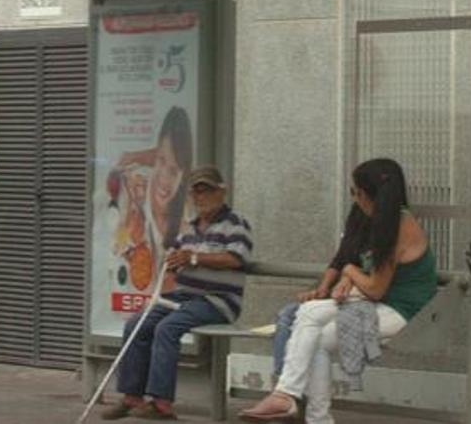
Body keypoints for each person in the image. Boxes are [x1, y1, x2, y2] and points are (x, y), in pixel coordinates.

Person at [240, 158, 438, 424]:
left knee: (311, 323)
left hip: (404, 311)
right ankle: (305, 410)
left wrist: (349, 272)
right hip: (380, 303)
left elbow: (376, 289)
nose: (354, 200)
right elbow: (370, 275)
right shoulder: (384, 219)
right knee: (313, 329)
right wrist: (349, 277)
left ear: (367, 194)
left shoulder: (399, 225)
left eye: (354, 192)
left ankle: (287, 396)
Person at [102, 166, 252, 420]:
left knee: (167, 328)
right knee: (136, 324)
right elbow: (179, 259)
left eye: (207, 190)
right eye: (197, 192)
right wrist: (172, 261)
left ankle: (161, 404)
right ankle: (132, 396)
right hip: (185, 294)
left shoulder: (236, 224)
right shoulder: (189, 227)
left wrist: (193, 257)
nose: (201, 197)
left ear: (222, 192)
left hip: (217, 300)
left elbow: (235, 259)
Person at [272, 206, 370, 379]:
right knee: (290, 314)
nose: (356, 197)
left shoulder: (388, 226)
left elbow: (373, 278)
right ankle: (283, 381)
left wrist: (349, 276)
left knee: (307, 326)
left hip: (361, 297)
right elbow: (340, 259)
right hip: (339, 293)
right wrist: (321, 289)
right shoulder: (357, 213)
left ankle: (286, 385)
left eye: (358, 193)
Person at [110, 106, 193, 291]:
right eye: (161, 160)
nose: (163, 178)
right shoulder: (133, 191)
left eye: (173, 171)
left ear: (182, 176)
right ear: (154, 156)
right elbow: (116, 246)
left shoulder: (188, 224)